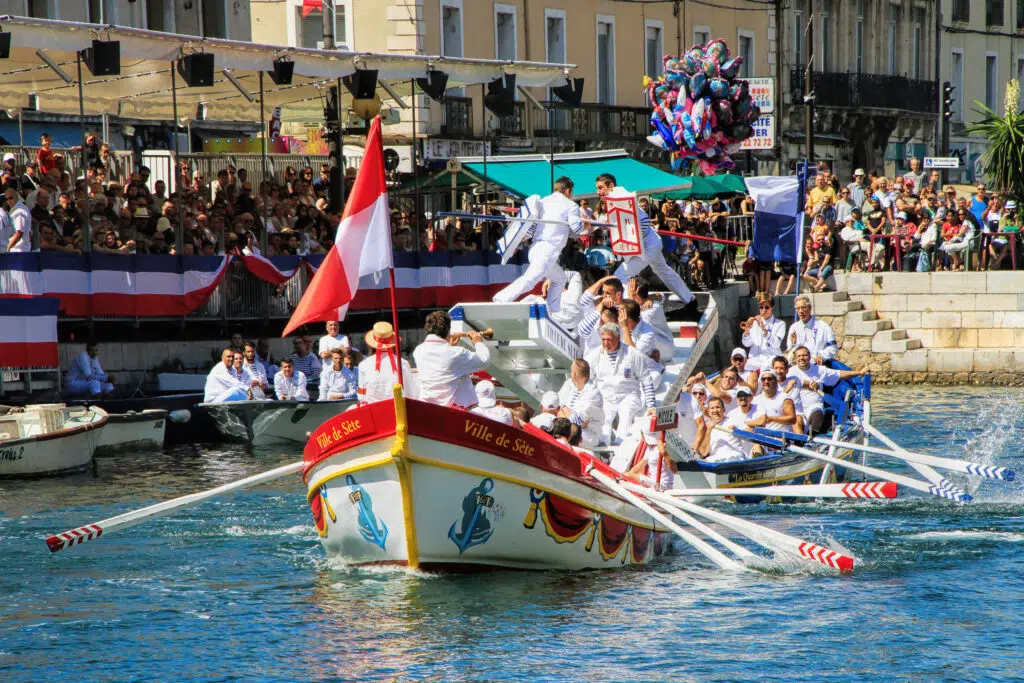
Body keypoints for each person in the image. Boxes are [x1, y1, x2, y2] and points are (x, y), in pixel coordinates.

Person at [594, 173, 696, 313]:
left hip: (646, 247)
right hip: (650, 244)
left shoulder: (622, 198)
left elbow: (642, 221)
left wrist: (634, 239)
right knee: (664, 271)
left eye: (600, 188)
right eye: (597, 188)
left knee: (619, 277)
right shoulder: (616, 199)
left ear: (611, 186)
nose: (598, 191)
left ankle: (625, 310)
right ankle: (689, 300)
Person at [492, 176, 582, 313]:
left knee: (560, 278)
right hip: (548, 251)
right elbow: (576, 228)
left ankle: (553, 310)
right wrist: (585, 224)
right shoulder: (572, 206)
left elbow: (530, 229)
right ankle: (500, 299)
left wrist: (516, 242)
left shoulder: (541, 202)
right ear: (568, 190)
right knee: (530, 280)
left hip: (535, 249)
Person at [585, 322, 656, 445]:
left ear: (618, 338)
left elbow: (646, 379)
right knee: (604, 422)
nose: (606, 343)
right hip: (605, 397)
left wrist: (651, 406)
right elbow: (588, 381)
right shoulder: (594, 355)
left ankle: (620, 447)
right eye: (603, 339)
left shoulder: (633, 354)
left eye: (609, 340)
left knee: (626, 416)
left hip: (628, 395)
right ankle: (604, 452)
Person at [412, 311, 490, 408]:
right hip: (452, 412)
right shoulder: (456, 354)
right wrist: (478, 342)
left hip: (427, 408)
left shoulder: (418, 351)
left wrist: (449, 345)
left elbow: (441, 364)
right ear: (448, 330)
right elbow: (484, 360)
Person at [788, 346, 867, 433]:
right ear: (795, 358)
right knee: (796, 422)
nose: (802, 358)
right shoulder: (790, 373)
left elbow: (840, 374)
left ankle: (812, 438)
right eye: (799, 356)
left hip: (814, 406)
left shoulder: (819, 370)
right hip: (796, 408)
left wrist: (860, 372)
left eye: (804, 355)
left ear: (810, 357)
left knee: (817, 415)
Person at [358, 321, 419, 404]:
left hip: (373, 411)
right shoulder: (403, 364)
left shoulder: (364, 365)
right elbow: (412, 393)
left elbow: (361, 396)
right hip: (397, 410)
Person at [556, 359, 605, 449]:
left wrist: (563, 410)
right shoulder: (569, 384)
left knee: (571, 431)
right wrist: (565, 410)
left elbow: (576, 421)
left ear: (574, 374)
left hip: (588, 434)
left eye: (571, 371)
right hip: (569, 427)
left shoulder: (593, 393)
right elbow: (557, 407)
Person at [693, 397, 747, 463]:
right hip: (717, 462)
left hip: (736, 456)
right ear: (709, 412)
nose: (715, 410)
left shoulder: (734, 421)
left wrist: (737, 430)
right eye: (712, 408)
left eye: (718, 407)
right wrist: (709, 430)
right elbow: (703, 453)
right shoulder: (706, 427)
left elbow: (748, 431)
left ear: (724, 410)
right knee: (705, 461)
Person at [740, 293, 785, 371]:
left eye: (767, 307)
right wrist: (747, 331)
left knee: (765, 368)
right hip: (755, 358)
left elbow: (776, 344)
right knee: (746, 367)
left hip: (772, 357)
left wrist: (764, 329)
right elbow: (746, 344)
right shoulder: (754, 322)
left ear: (772, 307)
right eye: (761, 307)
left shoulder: (780, 324)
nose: (764, 310)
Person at [787, 296, 837, 364]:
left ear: (810, 307)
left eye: (804, 307)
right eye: (798, 308)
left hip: (817, 363)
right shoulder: (794, 328)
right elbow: (789, 350)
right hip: (799, 364)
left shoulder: (822, 326)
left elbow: (833, 347)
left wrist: (822, 356)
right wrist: (793, 344)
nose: (801, 311)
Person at [725, 386, 764, 458]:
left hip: (759, 447)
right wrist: (744, 430)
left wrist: (747, 423)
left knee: (756, 446)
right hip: (740, 451)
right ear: (736, 399)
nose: (742, 398)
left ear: (751, 397)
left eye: (745, 395)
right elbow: (729, 430)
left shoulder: (759, 407)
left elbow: (762, 421)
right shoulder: (731, 414)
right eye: (739, 396)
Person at [5, 188, 31, 252]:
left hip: (19, 250)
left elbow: (19, 233)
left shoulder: (19, 211)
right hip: (18, 249)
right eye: (6, 199)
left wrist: (7, 248)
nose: (8, 201)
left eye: (11, 198)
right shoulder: (14, 209)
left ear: (16, 196)